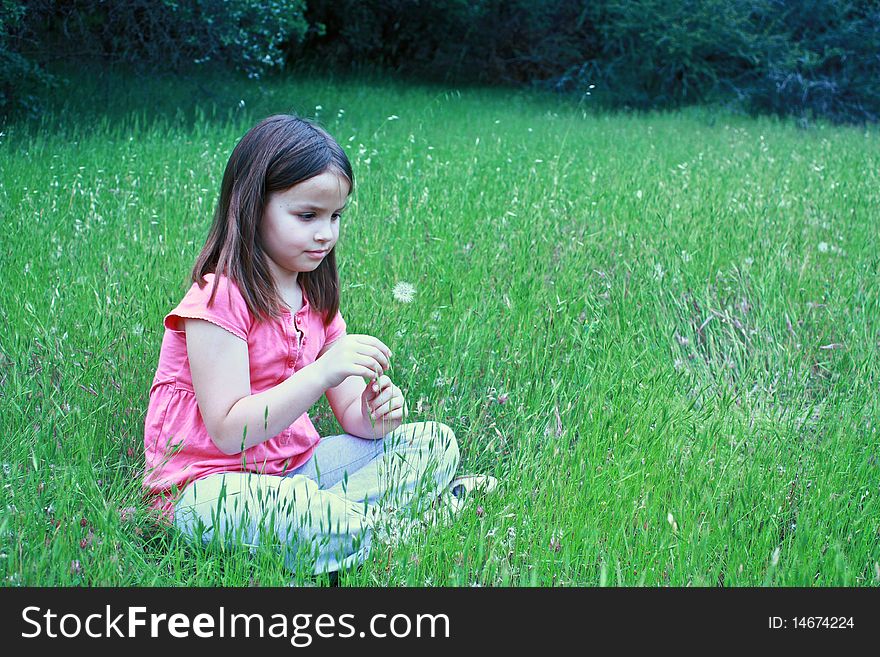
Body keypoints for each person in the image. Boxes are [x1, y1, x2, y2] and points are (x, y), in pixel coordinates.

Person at [143, 114, 495, 579]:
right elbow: (229, 432)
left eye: (335, 216)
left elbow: (353, 417)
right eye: (307, 216)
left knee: (435, 443)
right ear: (252, 206)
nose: (325, 233)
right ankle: (406, 525)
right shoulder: (219, 298)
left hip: (296, 471)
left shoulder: (317, 300)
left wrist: (377, 415)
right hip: (209, 488)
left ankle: (345, 524)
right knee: (312, 517)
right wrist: (321, 371)